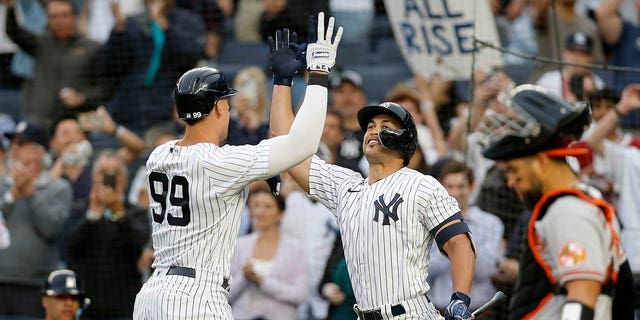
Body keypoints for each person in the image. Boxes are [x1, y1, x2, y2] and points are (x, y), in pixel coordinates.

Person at [132, 12, 343, 319]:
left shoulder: (159, 155)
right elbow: (302, 144)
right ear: (219, 107)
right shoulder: (220, 163)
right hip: (196, 297)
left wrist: (281, 84)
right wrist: (318, 73)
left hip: (152, 295)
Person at [270, 25, 476, 319]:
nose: (372, 131)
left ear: (404, 140)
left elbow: (460, 243)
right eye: (369, 126)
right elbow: (285, 146)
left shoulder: (422, 185)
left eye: (384, 127)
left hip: (410, 313)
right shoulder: (346, 186)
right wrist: (282, 82)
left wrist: (460, 299)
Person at [478, 84, 635, 319]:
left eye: (513, 170)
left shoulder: (568, 212)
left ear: (541, 162)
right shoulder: (577, 201)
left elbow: (582, 298)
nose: (510, 182)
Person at [65, 150, 151, 319]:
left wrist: (118, 213)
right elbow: (69, 246)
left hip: (125, 306)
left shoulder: (136, 213)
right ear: (93, 177)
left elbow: (140, 244)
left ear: (125, 180)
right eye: (104, 173)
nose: (109, 177)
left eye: (116, 173)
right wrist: (92, 216)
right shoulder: (79, 210)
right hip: (87, 307)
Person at [0, 121, 73, 318]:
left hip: (36, 284)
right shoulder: (0, 185)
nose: (13, 149)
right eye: (12, 143)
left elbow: (51, 230)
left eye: (21, 144)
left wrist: (31, 194)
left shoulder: (58, 188)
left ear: (39, 151)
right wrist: (12, 196)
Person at [4, 0, 108, 133]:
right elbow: (13, 32)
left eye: (64, 15)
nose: (59, 21)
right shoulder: (41, 44)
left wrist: (82, 98)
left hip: (77, 123)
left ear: (74, 17)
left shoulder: (92, 48)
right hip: (41, 119)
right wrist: (11, 6)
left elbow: (105, 88)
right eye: (54, 16)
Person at [427, 160, 504, 315]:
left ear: (471, 187)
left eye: (461, 186)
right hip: (439, 311)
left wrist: (456, 243)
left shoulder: (490, 222)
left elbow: (487, 269)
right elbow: (424, 270)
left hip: (481, 311)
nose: (455, 192)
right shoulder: (429, 225)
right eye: (450, 186)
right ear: (442, 188)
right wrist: (459, 245)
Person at [229, 188, 309, 320]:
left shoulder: (295, 249)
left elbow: (300, 295)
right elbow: (225, 294)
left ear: (280, 214)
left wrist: (263, 282)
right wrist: (244, 277)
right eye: (256, 205)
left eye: (267, 206)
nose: (260, 212)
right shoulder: (238, 246)